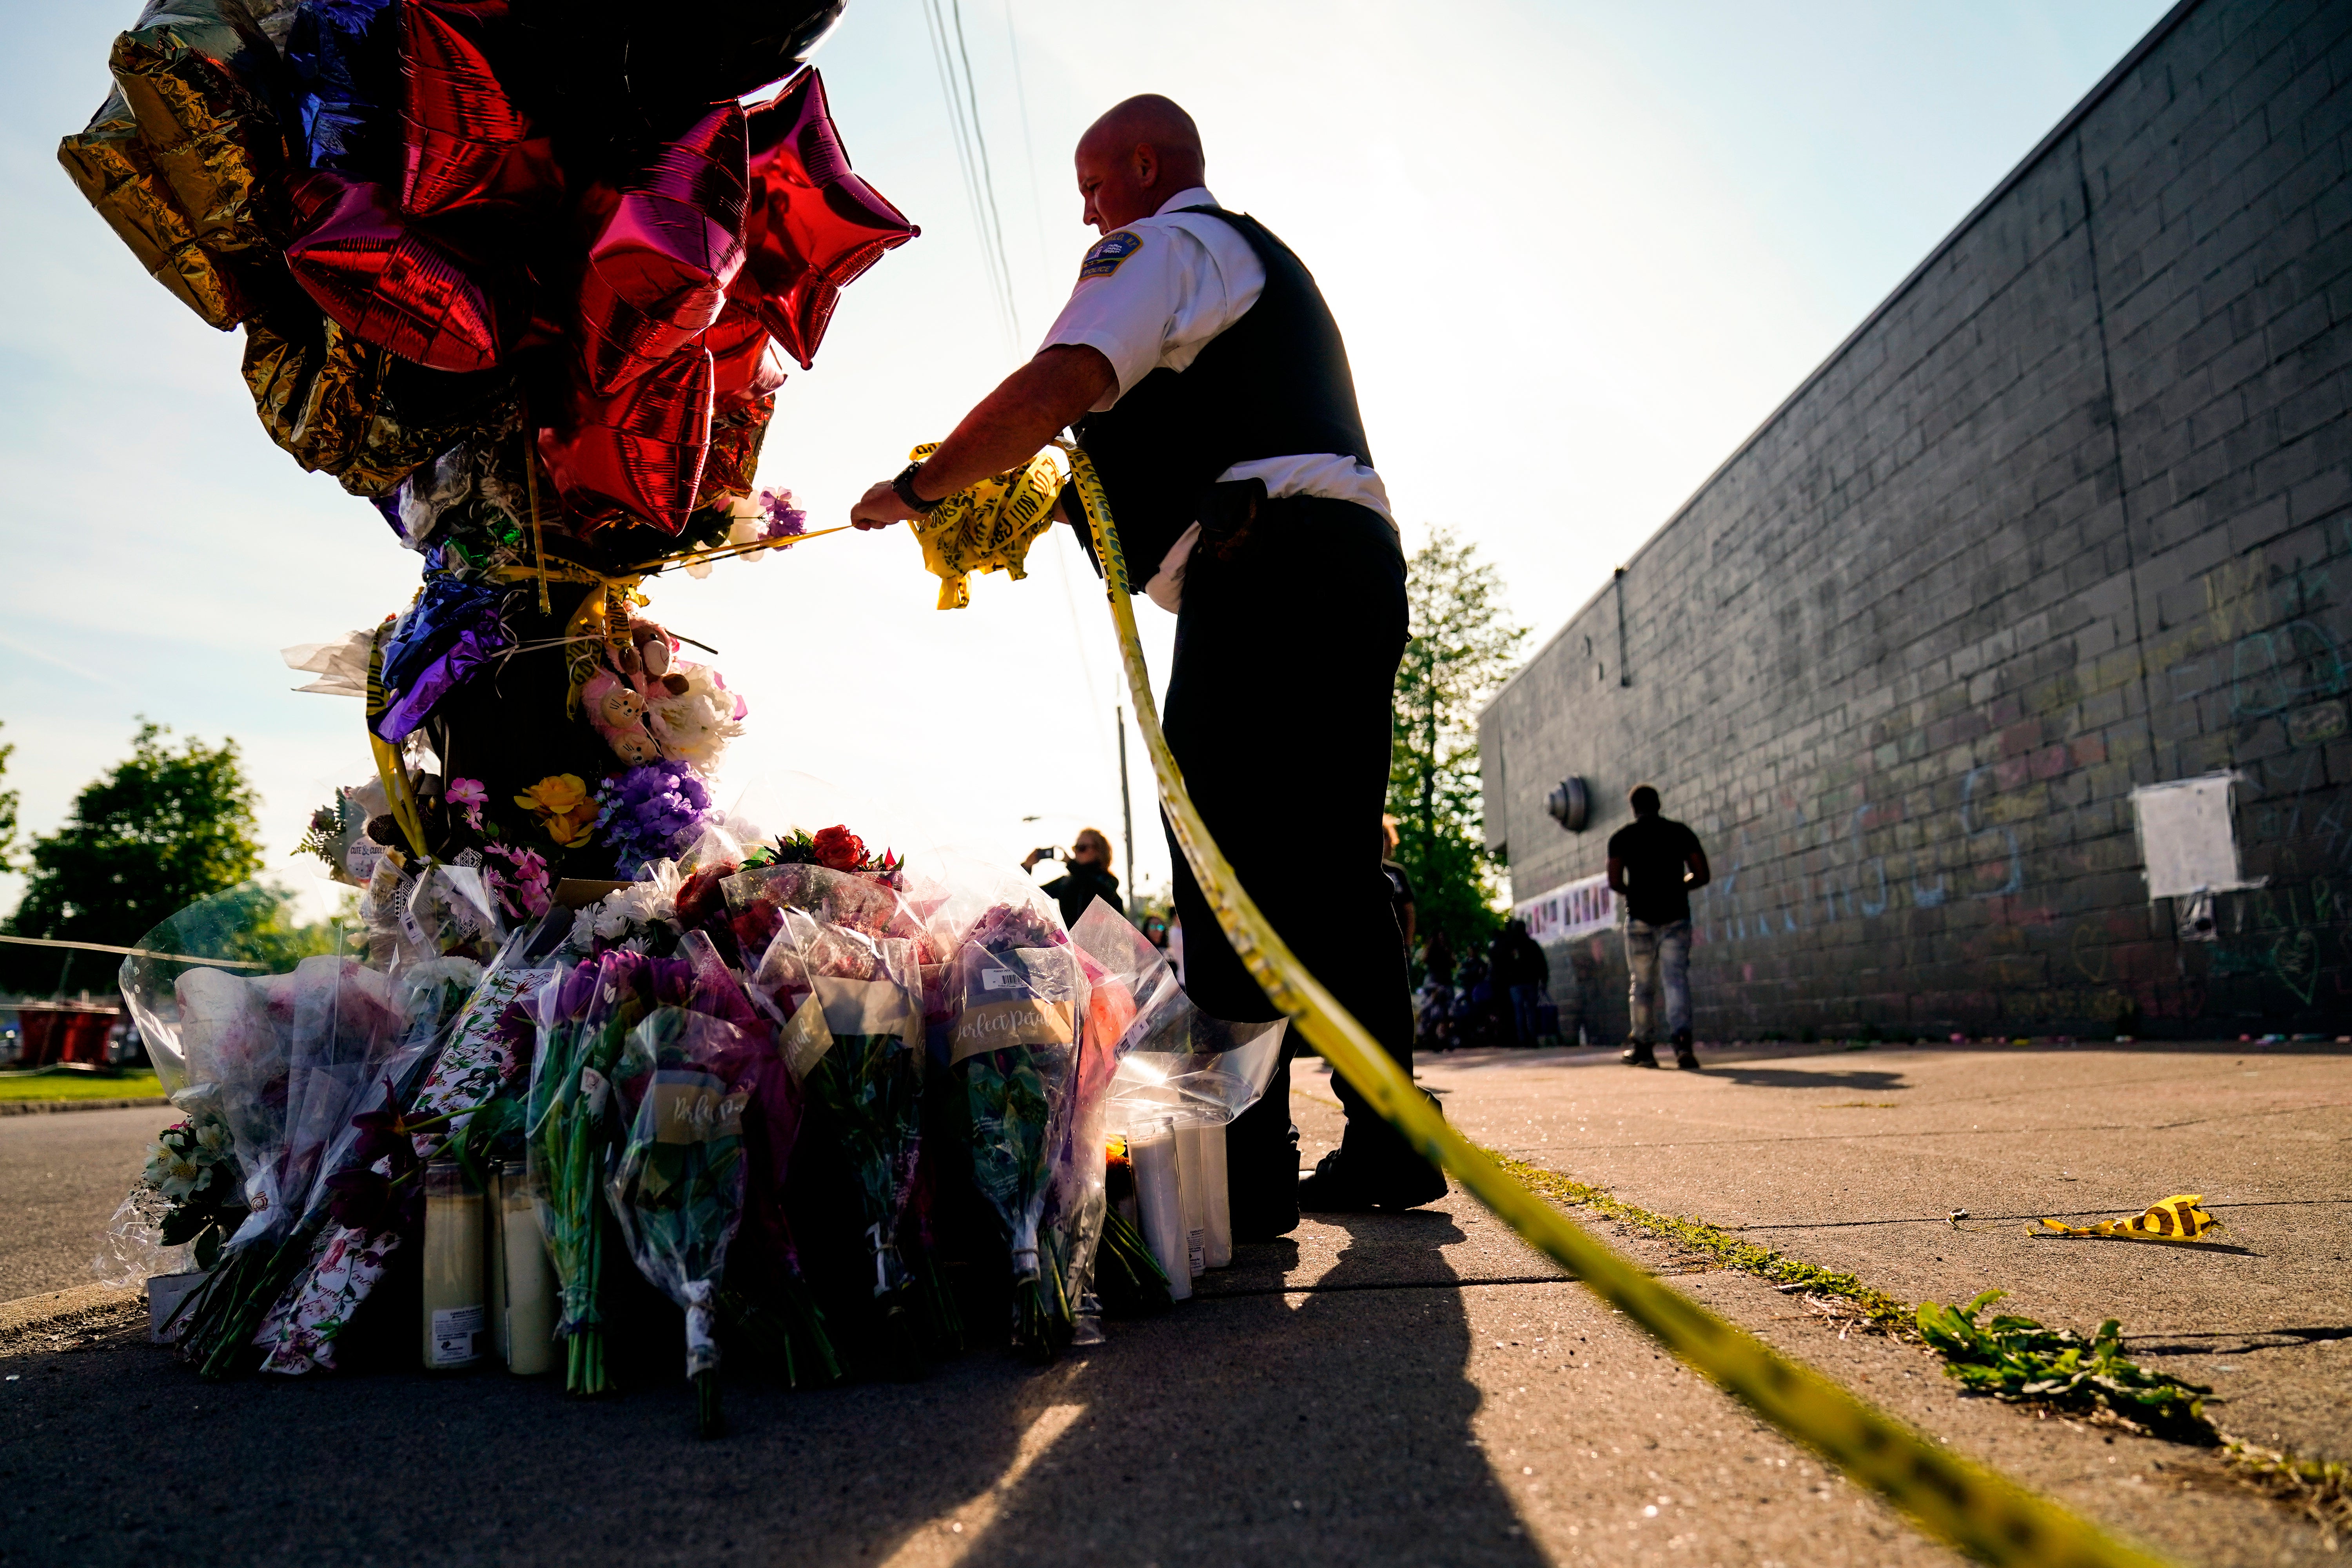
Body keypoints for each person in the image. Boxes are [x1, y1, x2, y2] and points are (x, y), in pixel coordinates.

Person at [849, 94, 1442, 1232]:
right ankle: (1391, 1141)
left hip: (1267, 576)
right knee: (1330, 859)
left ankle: (1250, 1165)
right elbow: (1146, 456)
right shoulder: (1242, 266)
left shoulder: (1164, 246)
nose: (1087, 214)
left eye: (1092, 186)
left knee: (1225, 862)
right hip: (1343, 565)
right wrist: (1046, 503)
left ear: (1141, 163)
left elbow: (1060, 381)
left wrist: (922, 488)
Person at [1606, 784, 1711, 1070]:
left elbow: (1614, 881)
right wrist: (1677, 887)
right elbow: (1702, 874)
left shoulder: (1622, 838)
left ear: (1634, 809)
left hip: (1640, 918)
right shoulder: (1680, 832)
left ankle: (1644, 1049)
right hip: (1676, 916)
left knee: (1642, 985)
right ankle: (1682, 1044)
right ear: (1659, 805)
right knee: (1676, 980)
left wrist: (1638, 893)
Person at [1023, 828, 1121, 931]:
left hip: (1098, 939)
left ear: (1098, 851)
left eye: (1082, 848)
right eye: (1076, 848)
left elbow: (1096, 887)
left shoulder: (1108, 881)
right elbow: (1033, 895)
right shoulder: (1066, 883)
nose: (1077, 853)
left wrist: (1070, 864)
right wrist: (1027, 867)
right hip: (1071, 940)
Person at [1486, 918, 1549, 1047]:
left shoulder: (1509, 945)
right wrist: (1543, 980)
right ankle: (1532, 1038)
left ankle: (1523, 1039)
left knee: (1519, 1011)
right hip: (1530, 981)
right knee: (1531, 1010)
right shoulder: (1531, 944)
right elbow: (1541, 963)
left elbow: (1497, 958)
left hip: (1515, 983)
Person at [1379, 816, 1416, 956]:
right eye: (1383, 835)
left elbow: (1409, 912)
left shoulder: (1397, 872)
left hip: (1397, 949)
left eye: (1386, 835)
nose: (1386, 840)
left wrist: (1407, 945)